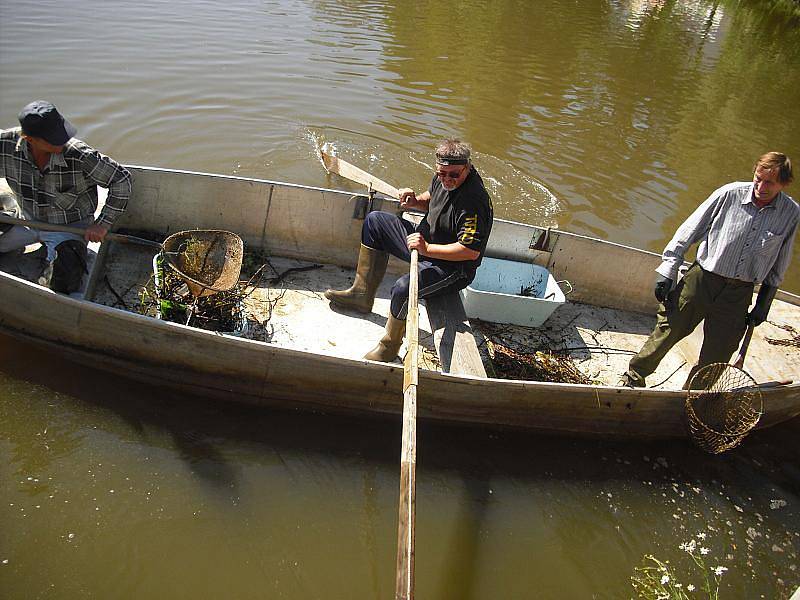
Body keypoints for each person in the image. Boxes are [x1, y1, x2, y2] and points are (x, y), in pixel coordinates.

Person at [620, 152, 798, 388]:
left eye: (770, 183)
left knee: (720, 351)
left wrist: (765, 300)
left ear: (783, 184)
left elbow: (780, 261)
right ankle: (633, 377)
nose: (761, 186)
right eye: (758, 178)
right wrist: (668, 270)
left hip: (739, 293)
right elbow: (689, 230)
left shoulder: (791, 213)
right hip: (702, 279)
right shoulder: (729, 194)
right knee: (669, 329)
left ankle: (693, 397)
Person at [325, 139, 493, 362]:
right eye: (442, 173)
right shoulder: (442, 177)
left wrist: (428, 249)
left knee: (403, 288)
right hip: (424, 242)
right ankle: (361, 295)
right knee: (375, 222)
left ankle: (389, 346)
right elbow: (431, 199)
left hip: (453, 266)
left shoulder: (474, 201)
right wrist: (414, 201)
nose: (448, 180)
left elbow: (469, 251)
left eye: (454, 175)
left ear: (468, 167)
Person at [0, 100, 132, 293]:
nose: (62, 141)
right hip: (25, 219)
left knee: (65, 282)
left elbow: (122, 180)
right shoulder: (5, 144)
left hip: (69, 226)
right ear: (29, 139)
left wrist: (102, 224)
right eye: (53, 138)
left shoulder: (79, 155)